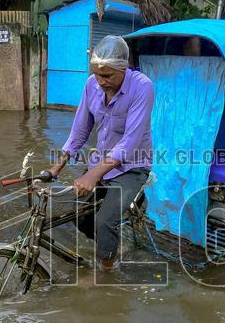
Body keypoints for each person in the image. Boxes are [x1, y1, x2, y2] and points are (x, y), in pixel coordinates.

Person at [49, 35, 154, 269]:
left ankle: (106, 273)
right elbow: (80, 129)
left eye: (107, 75)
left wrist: (92, 175)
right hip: (100, 162)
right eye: (97, 74)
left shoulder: (142, 87)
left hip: (132, 166)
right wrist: (57, 166)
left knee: (106, 221)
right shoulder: (91, 85)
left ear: (124, 69)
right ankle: (110, 249)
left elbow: (130, 142)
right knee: (78, 212)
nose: (101, 81)